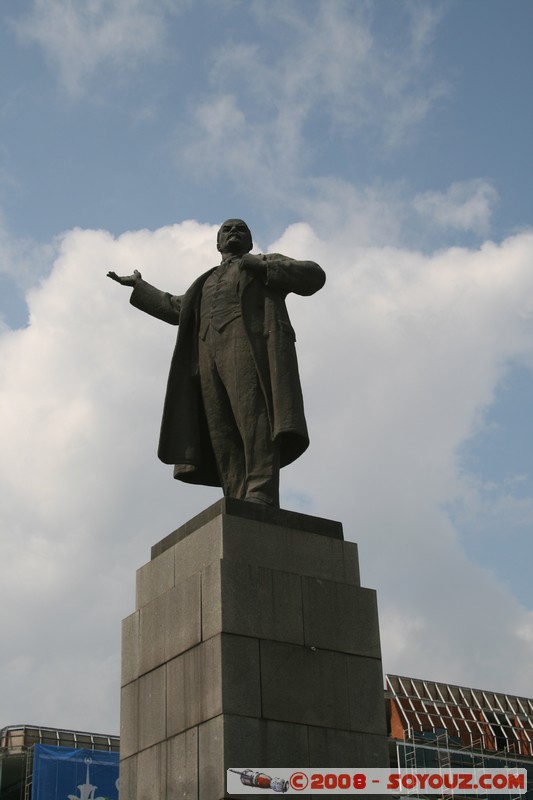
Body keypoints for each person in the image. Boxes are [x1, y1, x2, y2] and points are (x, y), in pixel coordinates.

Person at [107, 219, 325, 507]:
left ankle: (261, 491)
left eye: (240, 229)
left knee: (254, 417)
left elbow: (314, 275)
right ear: (218, 244)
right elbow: (176, 307)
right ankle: (236, 495)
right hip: (207, 354)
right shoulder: (205, 282)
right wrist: (140, 286)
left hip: (249, 345)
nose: (233, 231)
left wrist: (264, 267)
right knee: (220, 428)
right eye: (227, 229)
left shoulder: (263, 263)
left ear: (250, 242)